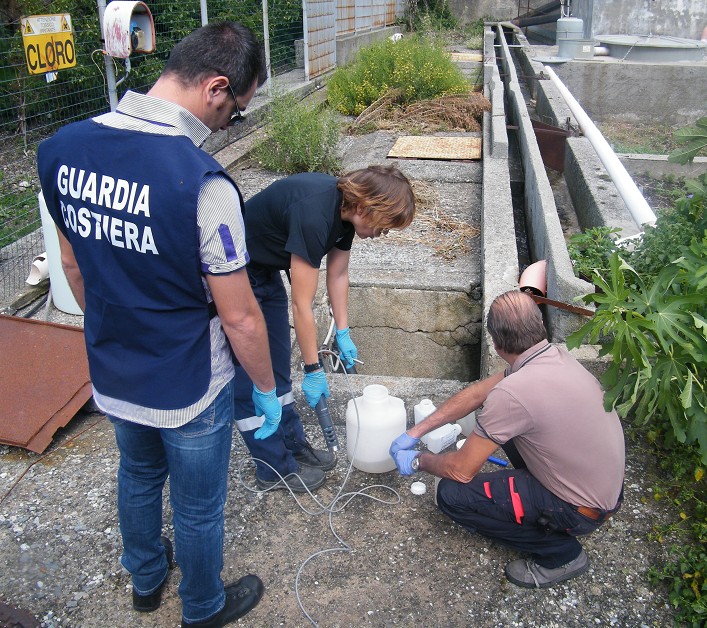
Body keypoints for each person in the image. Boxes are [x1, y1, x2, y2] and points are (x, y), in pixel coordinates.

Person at [37, 22, 278, 627]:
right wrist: (270, 391)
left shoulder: (61, 149)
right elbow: (241, 315)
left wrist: (117, 327)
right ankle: (202, 607)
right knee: (198, 507)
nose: (230, 125)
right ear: (217, 89)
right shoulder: (201, 184)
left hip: (116, 368)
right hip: (189, 379)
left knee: (139, 473)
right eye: (238, 112)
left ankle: (146, 580)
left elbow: (71, 261)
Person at [389, 290, 625, 588]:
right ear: (539, 326)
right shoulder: (552, 357)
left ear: (497, 344)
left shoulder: (512, 395)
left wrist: (418, 459)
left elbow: (461, 470)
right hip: (602, 488)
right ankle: (536, 493)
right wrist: (416, 432)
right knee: (493, 416)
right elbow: (476, 394)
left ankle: (561, 554)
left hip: (578, 510)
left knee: (449, 494)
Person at [234, 165, 416, 492]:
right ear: (365, 206)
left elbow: (339, 275)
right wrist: (314, 368)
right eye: (384, 225)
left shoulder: (344, 213)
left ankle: (291, 444)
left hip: (265, 268)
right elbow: (302, 305)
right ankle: (271, 466)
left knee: (277, 367)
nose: (381, 234)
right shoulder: (315, 214)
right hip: (236, 271)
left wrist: (343, 331)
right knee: (253, 371)